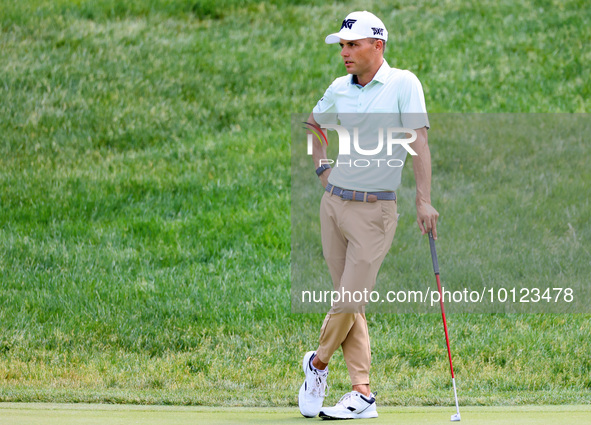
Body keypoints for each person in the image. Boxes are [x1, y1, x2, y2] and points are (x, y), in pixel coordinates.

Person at [298, 10, 439, 420]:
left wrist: (423, 200)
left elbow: (419, 142)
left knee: (350, 297)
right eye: (341, 46)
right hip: (333, 206)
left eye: (352, 45)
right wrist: (320, 166)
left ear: (377, 45)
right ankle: (361, 394)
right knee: (351, 305)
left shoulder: (403, 84)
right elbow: (313, 126)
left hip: (376, 210)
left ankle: (317, 364)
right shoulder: (340, 88)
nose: (344, 53)